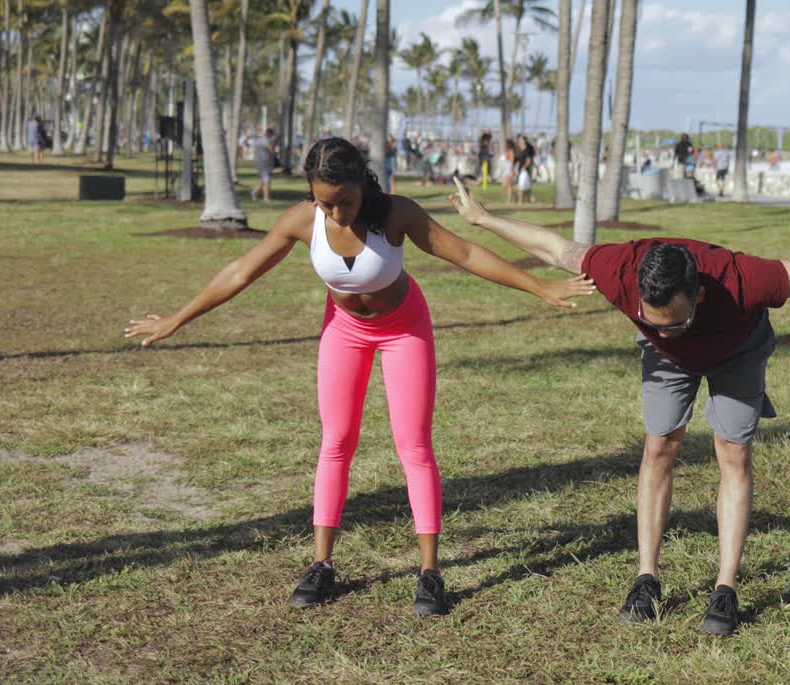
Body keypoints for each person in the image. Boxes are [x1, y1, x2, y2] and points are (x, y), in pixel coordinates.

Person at [447, 177, 790, 636]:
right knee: (659, 448)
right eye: (651, 318)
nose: (664, 325)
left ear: (698, 293)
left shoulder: (744, 279)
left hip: (738, 351)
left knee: (733, 455)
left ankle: (725, 588)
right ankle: (646, 578)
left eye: (674, 320)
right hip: (666, 363)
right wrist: (484, 218)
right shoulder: (619, 270)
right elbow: (553, 247)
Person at [125, 138, 594, 612]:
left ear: (362, 186)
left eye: (343, 201)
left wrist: (538, 286)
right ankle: (321, 565)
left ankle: (429, 573)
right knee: (336, 442)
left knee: (413, 444)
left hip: (403, 328)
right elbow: (241, 271)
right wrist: (177, 319)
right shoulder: (304, 219)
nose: (334, 213)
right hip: (344, 331)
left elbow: (467, 255)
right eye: (323, 202)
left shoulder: (395, 215)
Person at [250, 128, 277, 202]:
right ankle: (266, 198)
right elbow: (272, 151)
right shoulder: (266, 141)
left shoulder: (258, 140)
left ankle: (254, 192)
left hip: (259, 162)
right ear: (270, 134)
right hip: (265, 163)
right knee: (267, 180)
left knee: (263, 180)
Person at [515, 134, 536, 205]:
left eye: (521, 139)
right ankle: (531, 199)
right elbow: (517, 160)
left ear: (524, 140)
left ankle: (520, 202)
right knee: (526, 187)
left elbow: (529, 160)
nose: (519, 141)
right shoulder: (519, 149)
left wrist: (524, 167)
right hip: (520, 170)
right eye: (519, 139)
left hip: (525, 170)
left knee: (521, 187)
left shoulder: (527, 149)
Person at [502, 138, 517, 203]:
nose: (506, 145)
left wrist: (512, 171)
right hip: (506, 169)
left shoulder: (511, 151)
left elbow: (512, 161)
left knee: (509, 185)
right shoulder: (507, 151)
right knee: (504, 185)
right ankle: (515, 196)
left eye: (507, 144)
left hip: (510, 169)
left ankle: (509, 201)